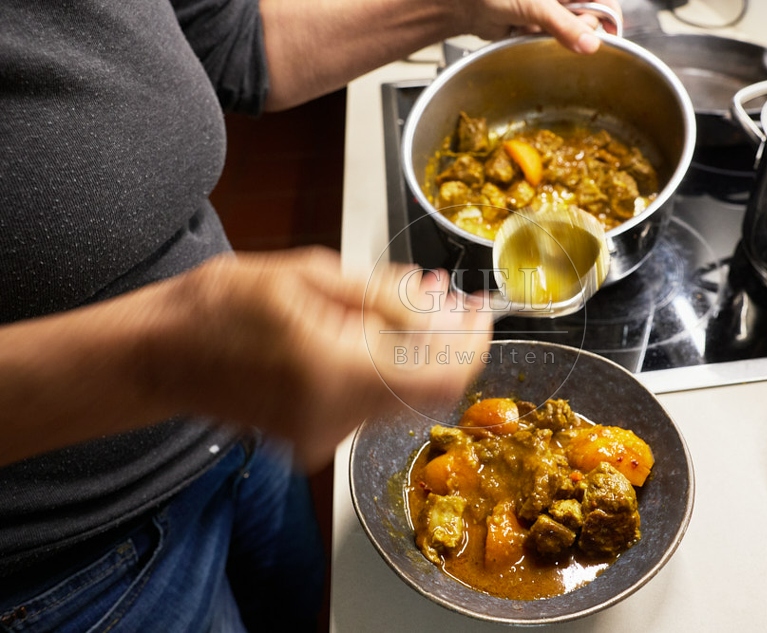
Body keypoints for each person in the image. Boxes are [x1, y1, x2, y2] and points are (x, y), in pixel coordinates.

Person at [0, 0, 621, 630]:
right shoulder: (185, 352)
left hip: (241, 405)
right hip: (66, 564)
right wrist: (159, 358)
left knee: (299, 608)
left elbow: (231, 37)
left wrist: (456, 5)